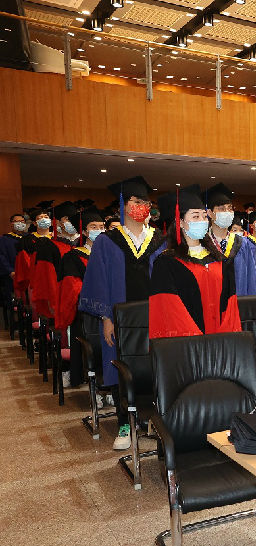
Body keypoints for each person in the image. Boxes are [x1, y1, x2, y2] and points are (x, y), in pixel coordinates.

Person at [79, 176, 167, 450]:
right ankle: (124, 424)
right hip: (120, 318)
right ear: (124, 205)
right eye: (136, 201)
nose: (142, 206)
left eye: (146, 202)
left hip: (154, 316)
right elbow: (99, 281)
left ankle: (154, 421)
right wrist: (106, 318)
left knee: (156, 366)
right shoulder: (107, 242)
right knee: (122, 367)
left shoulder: (160, 240)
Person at [150, 189, 240, 339]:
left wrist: (224, 340)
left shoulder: (219, 260)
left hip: (220, 340)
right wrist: (197, 343)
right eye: (196, 216)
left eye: (204, 216)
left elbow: (230, 305)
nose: (203, 221)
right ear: (180, 222)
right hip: (187, 343)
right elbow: (169, 309)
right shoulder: (167, 263)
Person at [56, 207, 105, 388]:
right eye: (93, 227)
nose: (99, 230)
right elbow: (72, 287)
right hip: (87, 313)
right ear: (84, 232)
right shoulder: (74, 257)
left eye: (101, 226)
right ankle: (93, 381)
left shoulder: (112, 254)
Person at [205, 183, 256, 296]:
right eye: (221, 209)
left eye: (230, 208)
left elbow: (251, 278)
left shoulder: (242, 243)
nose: (227, 212)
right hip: (211, 302)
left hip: (239, 302)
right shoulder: (203, 243)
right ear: (210, 213)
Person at [30, 201, 81, 320]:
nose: (71, 222)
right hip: (60, 299)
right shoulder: (48, 246)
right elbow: (47, 279)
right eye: (67, 219)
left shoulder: (83, 244)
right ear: (57, 222)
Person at [13, 201, 53, 301]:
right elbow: (25, 261)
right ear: (34, 223)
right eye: (40, 218)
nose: (44, 219)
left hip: (54, 278)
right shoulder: (27, 240)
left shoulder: (57, 239)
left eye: (46, 217)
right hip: (35, 279)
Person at [0, 213, 26, 326]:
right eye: (17, 221)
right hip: (11, 275)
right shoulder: (4, 239)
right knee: (14, 300)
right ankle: (16, 323)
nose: (20, 223)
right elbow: (1, 257)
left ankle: (30, 322)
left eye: (22, 221)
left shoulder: (29, 238)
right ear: (11, 224)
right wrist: (10, 271)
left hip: (28, 276)